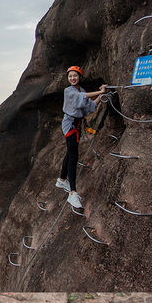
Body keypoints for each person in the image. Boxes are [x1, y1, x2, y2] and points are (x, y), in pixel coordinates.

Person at [56, 66, 107, 210]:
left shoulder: (82, 91)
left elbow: (89, 106)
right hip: (70, 125)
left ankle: (61, 180)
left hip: (76, 125)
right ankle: (72, 192)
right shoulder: (69, 91)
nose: (72, 78)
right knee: (73, 156)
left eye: (75, 76)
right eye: (70, 76)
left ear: (80, 77)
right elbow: (81, 98)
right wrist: (100, 91)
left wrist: (100, 97)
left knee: (70, 152)